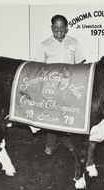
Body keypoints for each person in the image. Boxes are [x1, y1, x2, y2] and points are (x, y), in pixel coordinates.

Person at [34, 14, 86, 155]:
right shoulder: (44, 44)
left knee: (67, 112)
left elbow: (80, 63)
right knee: (52, 113)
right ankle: (51, 144)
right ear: (52, 28)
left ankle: (67, 141)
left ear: (66, 28)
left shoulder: (73, 42)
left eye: (62, 27)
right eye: (56, 27)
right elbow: (38, 67)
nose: (59, 29)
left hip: (69, 85)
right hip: (51, 85)